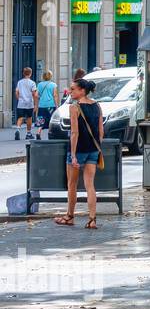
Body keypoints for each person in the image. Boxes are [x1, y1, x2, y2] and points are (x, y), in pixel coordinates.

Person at [53, 77, 104, 228]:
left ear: (82, 91)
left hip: (79, 149)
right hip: (93, 150)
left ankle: (69, 216)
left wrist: (73, 154)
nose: (70, 91)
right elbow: (101, 130)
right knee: (90, 185)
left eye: (73, 89)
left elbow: (74, 133)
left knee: (72, 185)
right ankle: (92, 219)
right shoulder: (97, 105)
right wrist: (97, 146)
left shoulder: (74, 107)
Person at [14, 67, 36, 140]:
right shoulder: (32, 83)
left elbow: (16, 92)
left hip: (21, 103)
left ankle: (17, 129)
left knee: (20, 117)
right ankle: (28, 133)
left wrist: (19, 99)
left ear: (23, 73)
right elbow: (34, 93)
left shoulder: (19, 82)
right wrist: (35, 103)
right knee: (29, 118)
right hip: (29, 103)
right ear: (30, 74)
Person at [35, 71, 57, 140]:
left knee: (41, 119)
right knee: (51, 119)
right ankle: (50, 134)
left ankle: (38, 132)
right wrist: (56, 105)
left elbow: (36, 95)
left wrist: (40, 98)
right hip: (50, 105)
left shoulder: (39, 84)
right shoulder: (53, 85)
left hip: (41, 105)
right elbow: (55, 95)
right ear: (51, 76)